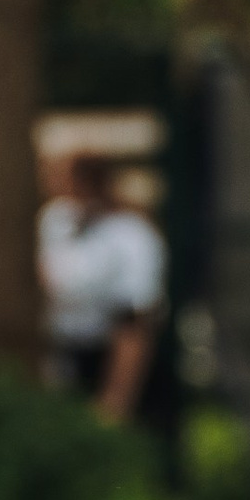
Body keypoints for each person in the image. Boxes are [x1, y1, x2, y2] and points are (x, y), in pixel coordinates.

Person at [39, 148, 167, 422]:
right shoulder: (55, 220)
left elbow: (133, 321)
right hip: (60, 360)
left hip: (106, 362)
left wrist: (114, 402)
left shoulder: (131, 235)